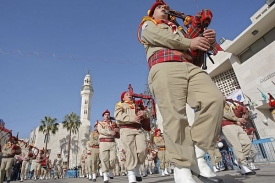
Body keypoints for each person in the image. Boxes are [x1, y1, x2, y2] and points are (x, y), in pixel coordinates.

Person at [139, 1, 225, 183]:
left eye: (165, 6)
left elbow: (195, 48)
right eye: (159, 7)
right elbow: (166, 39)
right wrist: (190, 41)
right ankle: (182, 167)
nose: (163, 7)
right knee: (175, 116)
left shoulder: (179, 29)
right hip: (164, 66)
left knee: (215, 100)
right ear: (152, 12)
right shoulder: (148, 25)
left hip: (189, 66)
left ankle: (196, 153)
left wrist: (209, 40)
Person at [114, 91, 148, 183]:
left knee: (142, 149)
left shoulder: (137, 105)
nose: (129, 95)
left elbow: (147, 114)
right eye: (126, 94)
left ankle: (137, 168)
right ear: (123, 98)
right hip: (127, 129)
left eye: (130, 94)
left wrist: (143, 113)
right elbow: (118, 116)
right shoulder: (120, 105)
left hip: (138, 129)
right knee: (130, 151)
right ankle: (131, 173)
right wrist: (132, 118)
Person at [222, 101, 256, 175]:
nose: (223, 95)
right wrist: (238, 119)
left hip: (236, 125)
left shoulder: (230, 103)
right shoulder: (218, 103)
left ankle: (238, 160)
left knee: (247, 143)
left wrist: (244, 115)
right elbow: (225, 114)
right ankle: (244, 165)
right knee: (236, 145)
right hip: (227, 125)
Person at [97, 109, 117, 183]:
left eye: (108, 114)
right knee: (104, 159)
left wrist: (116, 130)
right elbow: (101, 131)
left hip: (112, 142)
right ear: (103, 116)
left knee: (113, 159)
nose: (107, 116)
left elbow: (117, 130)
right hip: (103, 142)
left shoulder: (113, 123)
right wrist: (110, 132)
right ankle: (105, 176)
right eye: (105, 115)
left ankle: (111, 170)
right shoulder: (100, 123)